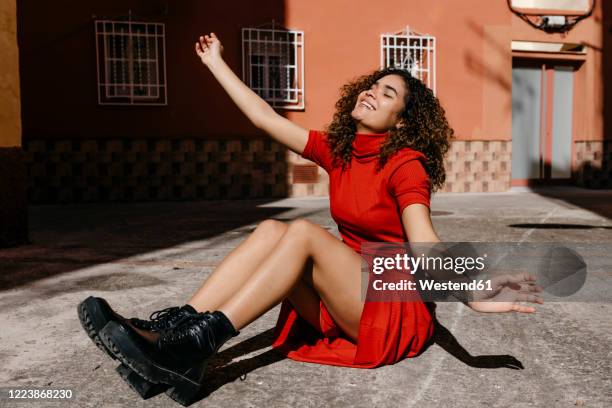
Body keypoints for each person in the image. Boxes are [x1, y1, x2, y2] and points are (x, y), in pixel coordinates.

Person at [78, 32, 543, 405]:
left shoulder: (406, 163)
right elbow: (264, 116)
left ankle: (197, 346)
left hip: (388, 306)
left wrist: (473, 295)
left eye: (386, 94)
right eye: (371, 85)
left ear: (402, 121)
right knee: (272, 229)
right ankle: (173, 333)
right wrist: (216, 62)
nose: (370, 93)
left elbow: (423, 238)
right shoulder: (339, 150)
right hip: (346, 290)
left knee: (302, 233)